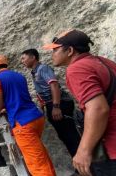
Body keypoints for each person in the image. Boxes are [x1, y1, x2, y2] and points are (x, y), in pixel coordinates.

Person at [43, 29, 116, 176]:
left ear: (69, 50)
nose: (52, 55)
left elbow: (98, 109)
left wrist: (84, 151)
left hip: (111, 148)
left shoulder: (77, 69)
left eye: (55, 50)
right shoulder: (104, 61)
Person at [0, 55, 56, 176]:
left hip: (22, 123)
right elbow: (16, 97)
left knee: (36, 163)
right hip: (36, 117)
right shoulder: (19, 76)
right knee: (40, 155)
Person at [21, 48, 81, 158]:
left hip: (59, 103)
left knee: (70, 135)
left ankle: (88, 168)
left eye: (24, 58)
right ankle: (79, 165)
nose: (22, 61)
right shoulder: (34, 72)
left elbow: (54, 85)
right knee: (64, 136)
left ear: (33, 57)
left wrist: (56, 106)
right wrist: (44, 106)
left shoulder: (43, 68)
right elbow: (41, 90)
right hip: (52, 104)